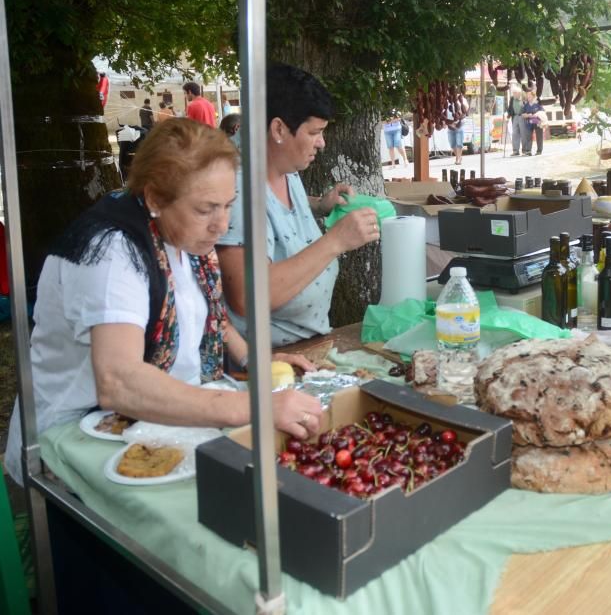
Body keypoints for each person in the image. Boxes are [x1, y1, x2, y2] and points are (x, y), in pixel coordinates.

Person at [3, 118, 322, 486]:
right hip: (74, 442)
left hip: (154, 426)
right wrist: (252, 407)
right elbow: (119, 381)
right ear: (154, 197)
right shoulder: (112, 253)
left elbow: (210, 314)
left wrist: (254, 360)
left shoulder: (186, 236)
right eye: (206, 209)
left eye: (228, 205)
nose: (221, 224)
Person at [216, 63, 380, 346]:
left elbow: (273, 211)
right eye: (315, 132)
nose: (322, 143)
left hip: (307, 345)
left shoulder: (282, 163)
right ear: (278, 129)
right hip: (265, 364)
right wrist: (336, 241)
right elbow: (246, 296)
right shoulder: (236, 187)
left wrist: (319, 205)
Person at [521, 90, 544, 156]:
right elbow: (522, 114)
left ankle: (539, 151)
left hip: (537, 121)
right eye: (527, 96)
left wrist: (535, 115)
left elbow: (542, 112)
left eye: (530, 96)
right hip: (529, 122)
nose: (528, 97)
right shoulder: (526, 105)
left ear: (533, 96)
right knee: (528, 136)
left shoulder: (538, 104)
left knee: (539, 136)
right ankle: (528, 151)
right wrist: (528, 115)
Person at [445, 97, 465, 165]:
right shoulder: (446, 103)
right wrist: (450, 124)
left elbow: (465, 113)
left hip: (459, 126)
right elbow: (444, 116)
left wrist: (459, 122)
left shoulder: (461, 100)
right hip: (450, 127)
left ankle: (458, 158)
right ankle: (458, 156)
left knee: (459, 143)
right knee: (452, 144)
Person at [505, 87, 525, 156]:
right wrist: (508, 117)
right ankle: (515, 151)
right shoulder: (512, 99)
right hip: (515, 117)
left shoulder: (523, 98)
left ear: (519, 93)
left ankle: (524, 150)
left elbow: (526, 107)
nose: (513, 94)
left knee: (523, 134)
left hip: (522, 117)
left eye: (514, 93)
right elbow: (510, 108)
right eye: (513, 93)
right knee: (515, 134)